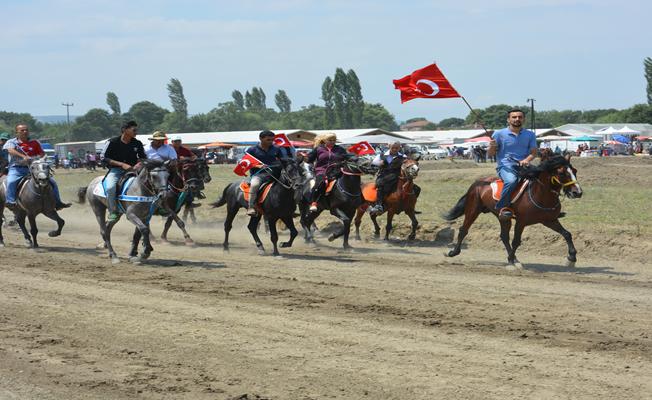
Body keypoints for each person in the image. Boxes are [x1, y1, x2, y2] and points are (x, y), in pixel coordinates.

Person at [3, 124, 71, 211]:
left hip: (33, 169)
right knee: (11, 181)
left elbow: (41, 153)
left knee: (52, 182)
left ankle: (57, 202)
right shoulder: (11, 142)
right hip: (17, 169)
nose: (25, 132)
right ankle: (10, 201)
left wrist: (41, 158)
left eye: (26, 130)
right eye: (22, 130)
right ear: (17, 132)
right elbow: (11, 150)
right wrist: (23, 157)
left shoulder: (35, 142)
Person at [487, 109, 537, 221]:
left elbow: (533, 153)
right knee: (511, 181)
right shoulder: (499, 134)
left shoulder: (530, 134)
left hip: (524, 166)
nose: (517, 119)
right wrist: (491, 146)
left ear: (523, 119)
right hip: (506, 166)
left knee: (544, 178)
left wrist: (526, 160)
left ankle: (549, 208)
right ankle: (503, 207)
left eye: (520, 117)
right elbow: (490, 154)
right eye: (514, 117)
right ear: (508, 119)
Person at [101, 120, 146, 222]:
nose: (136, 132)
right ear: (125, 130)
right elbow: (104, 157)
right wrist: (121, 164)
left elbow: (143, 158)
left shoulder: (137, 143)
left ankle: (157, 206)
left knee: (151, 182)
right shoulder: (112, 142)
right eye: (134, 130)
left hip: (134, 170)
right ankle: (113, 211)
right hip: (116, 171)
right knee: (110, 187)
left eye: (137, 130)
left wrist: (138, 164)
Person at [244, 130, 286, 216]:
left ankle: (289, 207)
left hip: (275, 174)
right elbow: (245, 162)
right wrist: (258, 166)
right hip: (259, 175)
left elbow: (283, 161)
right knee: (255, 185)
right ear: (261, 139)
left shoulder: (276, 149)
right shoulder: (252, 150)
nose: (271, 142)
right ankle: (251, 207)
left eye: (272, 140)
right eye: (268, 140)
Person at [306, 133, 347, 212]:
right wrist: (304, 158)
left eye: (334, 140)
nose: (332, 142)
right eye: (330, 140)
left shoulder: (340, 149)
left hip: (337, 171)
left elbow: (346, 157)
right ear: (325, 141)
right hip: (322, 171)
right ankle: (314, 202)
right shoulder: (318, 149)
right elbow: (309, 159)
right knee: (321, 183)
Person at [369, 141, 405, 214]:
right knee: (380, 185)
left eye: (397, 148)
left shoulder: (403, 156)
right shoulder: (382, 155)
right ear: (389, 147)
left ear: (399, 148)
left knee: (415, 188)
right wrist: (380, 163)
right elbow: (373, 163)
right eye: (393, 148)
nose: (395, 149)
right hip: (384, 176)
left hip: (397, 176)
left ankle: (410, 206)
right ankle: (378, 205)